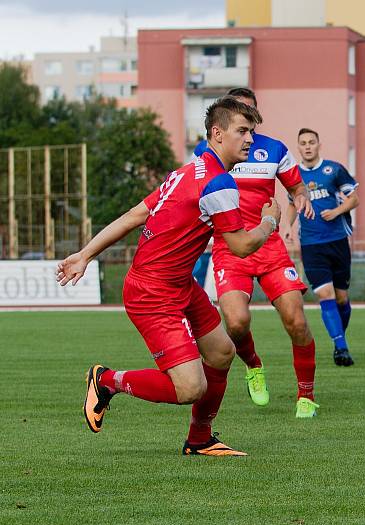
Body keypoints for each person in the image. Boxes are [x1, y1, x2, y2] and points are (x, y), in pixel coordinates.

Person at [59, 97, 279, 456]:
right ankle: (106, 380)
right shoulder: (217, 183)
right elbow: (240, 246)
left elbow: (133, 216)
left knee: (222, 352)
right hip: (152, 293)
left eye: (252, 132)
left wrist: (85, 254)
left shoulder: (185, 173)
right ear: (218, 133)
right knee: (190, 387)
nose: (251, 140)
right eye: (243, 131)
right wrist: (270, 221)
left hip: (178, 284)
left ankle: (199, 440)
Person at [195, 88, 320, 418]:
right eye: (241, 118)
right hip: (230, 247)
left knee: (296, 319)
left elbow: (296, 186)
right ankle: (253, 365)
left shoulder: (274, 149)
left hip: (270, 247)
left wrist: (301, 197)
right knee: (236, 323)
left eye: (251, 117)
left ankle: (306, 396)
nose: (248, 128)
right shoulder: (210, 152)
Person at [287, 128, 359, 367]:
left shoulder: (333, 170)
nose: (307, 146)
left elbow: (354, 198)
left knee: (341, 298)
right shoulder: (294, 175)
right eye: (303, 143)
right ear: (298, 147)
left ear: (319, 145)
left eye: (311, 142)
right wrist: (287, 226)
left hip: (337, 241)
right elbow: (291, 203)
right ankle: (341, 348)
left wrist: (336, 211)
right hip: (311, 244)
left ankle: (340, 336)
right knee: (324, 294)